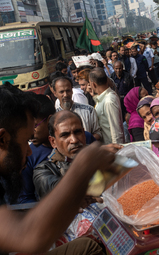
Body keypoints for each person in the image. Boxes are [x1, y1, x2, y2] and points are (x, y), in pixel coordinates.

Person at [0, 83, 116, 254]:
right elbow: (27, 238)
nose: (30, 150)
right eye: (26, 141)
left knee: (88, 247)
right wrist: (83, 167)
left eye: (78, 133)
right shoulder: (43, 169)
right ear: (2, 139)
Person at [33, 111, 104, 204]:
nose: (74, 140)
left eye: (77, 132)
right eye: (65, 135)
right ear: (53, 141)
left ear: (84, 133)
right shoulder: (43, 170)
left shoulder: (99, 157)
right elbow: (59, 192)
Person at [53, 77, 102, 141]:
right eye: (61, 92)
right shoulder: (54, 118)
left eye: (68, 90)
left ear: (72, 91)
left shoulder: (88, 110)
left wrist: (85, 141)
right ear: (55, 94)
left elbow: (98, 133)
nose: (65, 95)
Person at [90, 68, 125, 144]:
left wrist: (117, 152)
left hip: (112, 149)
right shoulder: (102, 99)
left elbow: (116, 131)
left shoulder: (109, 100)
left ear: (93, 84)